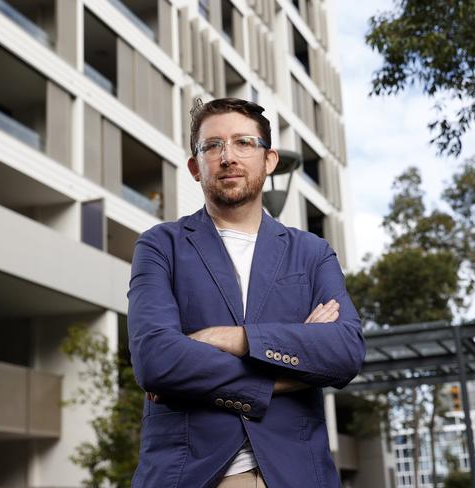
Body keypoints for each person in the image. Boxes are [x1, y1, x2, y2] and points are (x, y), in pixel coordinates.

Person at [127, 97, 365, 487]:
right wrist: (288, 373)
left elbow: (345, 352)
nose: (227, 157)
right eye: (212, 146)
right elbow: (156, 360)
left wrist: (236, 339)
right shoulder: (159, 246)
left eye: (243, 143)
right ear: (195, 166)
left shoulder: (312, 253)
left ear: (269, 160)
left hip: (297, 474)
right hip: (193, 475)